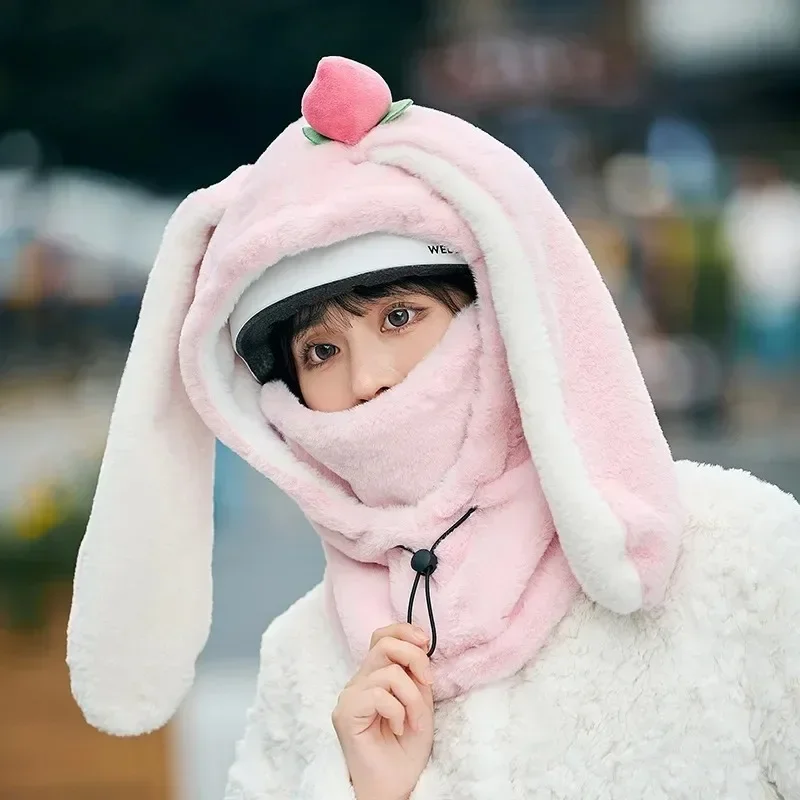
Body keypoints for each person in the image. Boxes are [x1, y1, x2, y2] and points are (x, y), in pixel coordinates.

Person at [67, 57, 800, 799]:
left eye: (400, 316)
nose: (368, 378)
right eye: (321, 350)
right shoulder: (302, 665)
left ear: (500, 313)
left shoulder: (736, 557)